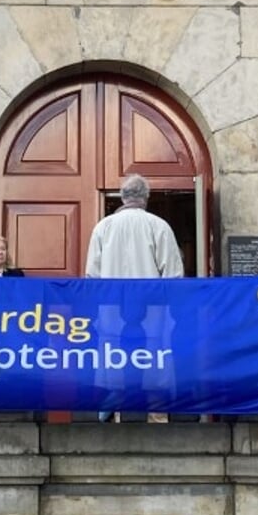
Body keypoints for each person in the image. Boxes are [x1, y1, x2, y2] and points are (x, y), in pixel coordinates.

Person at [85, 174, 183, 423]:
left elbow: (92, 276)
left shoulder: (103, 227)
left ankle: (115, 417)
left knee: (114, 363)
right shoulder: (159, 226)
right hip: (153, 311)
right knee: (155, 362)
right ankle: (157, 418)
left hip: (112, 309)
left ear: (123, 196)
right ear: (146, 197)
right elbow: (173, 275)